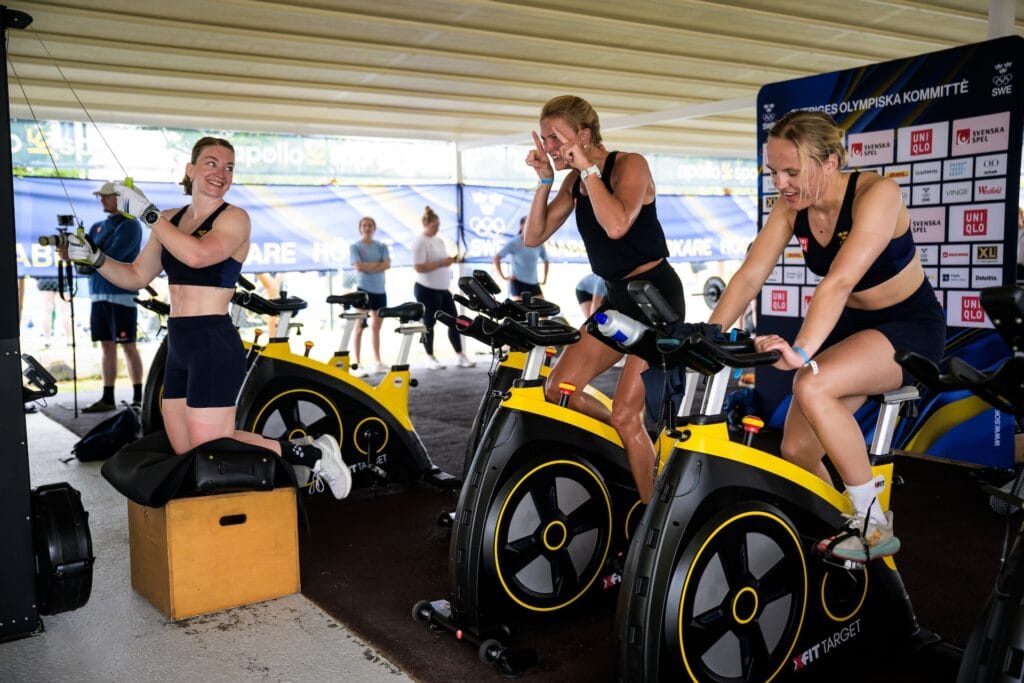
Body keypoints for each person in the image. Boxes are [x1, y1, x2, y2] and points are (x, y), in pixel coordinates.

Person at [707, 110, 945, 563]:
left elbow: (836, 283)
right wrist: (707, 334)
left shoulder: (878, 194)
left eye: (792, 171)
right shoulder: (790, 206)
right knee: (797, 448)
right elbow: (749, 276)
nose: (781, 182)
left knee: (811, 383)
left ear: (831, 161)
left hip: (909, 328)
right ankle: (846, 528)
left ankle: (874, 526)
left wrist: (799, 352)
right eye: (774, 172)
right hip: (855, 327)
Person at [63, 137, 350, 499]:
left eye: (229, 167)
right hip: (179, 342)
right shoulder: (169, 219)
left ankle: (312, 454)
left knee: (209, 444)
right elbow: (137, 276)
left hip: (213, 341)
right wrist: (96, 259)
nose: (221, 173)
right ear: (191, 169)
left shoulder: (234, 219)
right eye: (212, 163)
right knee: (187, 449)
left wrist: (148, 215)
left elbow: (198, 256)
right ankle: (303, 456)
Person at [524, 95, 686, 504]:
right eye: (544, 140)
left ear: (584, 135)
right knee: (559, 387)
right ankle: (636, 440)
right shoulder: (572, 181)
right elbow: (534, 236)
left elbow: (616, 225)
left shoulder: (630, 164)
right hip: (616, 298)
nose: (550, 148)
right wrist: (545, 181)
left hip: (655, 297)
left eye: (556, 139)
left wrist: (588, 170)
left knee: (625, 411)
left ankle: (654, 518)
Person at [79, 182, 145, 413]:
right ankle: (108, 397)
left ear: (119, 198)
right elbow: (88, 262)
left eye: (106, 196)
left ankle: (139, 397)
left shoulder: (131, 225)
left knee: (128, 346)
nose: (102, 200)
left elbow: (112, 257)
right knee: (107, 347)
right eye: (101, 196)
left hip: (121, 295)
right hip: (98, 293)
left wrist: (88, 256)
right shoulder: (97, 226)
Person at [412, 205, 474, 370]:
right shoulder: (420, 241)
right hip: (426, 288)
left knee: (455, 320)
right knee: (429, 323)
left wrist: (449, 261)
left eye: (439, 225)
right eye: (435, 225)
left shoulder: (438, 240)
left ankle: (460, 355)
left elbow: (442, 261)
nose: (438, 228)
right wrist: (441, 263)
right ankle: (429, 356)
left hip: (442, 289)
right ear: (427, 224)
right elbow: (419, 267)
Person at [349, 216, 390, 376]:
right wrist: (377, 266)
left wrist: (369, 267)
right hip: (363, 291)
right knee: (359, 327)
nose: (367, 228)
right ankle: (357, 364)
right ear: (360, 228)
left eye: (370, 225)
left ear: (374, 228)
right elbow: (358, 266)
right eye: (364, 225)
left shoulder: (382, 246)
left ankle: (377, 362)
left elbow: (387, 264)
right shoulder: (355, 247)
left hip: (380, 290)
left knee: (376, 327)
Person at [492, 216, 549, 300]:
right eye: (528, 224)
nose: (531, 227)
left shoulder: (538, 242)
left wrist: (544, 279)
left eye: (533, 224)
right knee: (520, 311)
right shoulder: (514, 242)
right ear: (522, 226)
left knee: (543, 311)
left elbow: (546, 260)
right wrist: (503, 276)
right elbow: (496, 258)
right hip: (518, 283)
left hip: (534, 283)